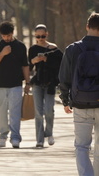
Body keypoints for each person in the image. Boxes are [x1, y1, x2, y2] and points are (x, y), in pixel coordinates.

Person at [59, 12, 99, 175]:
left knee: (82, 146)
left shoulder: (73, 49)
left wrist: (65, 99)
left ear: (87, 26)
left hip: (80, 102)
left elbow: (64, 76)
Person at [0, 21, 30, 148]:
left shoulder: (20, 46)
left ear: (13, 33)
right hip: (0, 85)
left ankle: (15, 137)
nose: (6, 38)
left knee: (15, 112)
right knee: (1, 112)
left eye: (8, 35)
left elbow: (25, 65)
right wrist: (2, 53)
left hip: (16, 84)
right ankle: (3, 135)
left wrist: (28, 82)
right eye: (4, 36)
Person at [28, 24, 63, 148]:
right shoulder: (32, 49)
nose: (41, 38)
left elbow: (60, 65)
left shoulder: (54, 49)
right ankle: (39, 140)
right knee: (38, 112)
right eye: (38, 36)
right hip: (37, 82)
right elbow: (28, 66)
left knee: (49, 111)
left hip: (50, 83)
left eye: (43, 36)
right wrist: (34, 61)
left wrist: (47, 59)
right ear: (35, 36)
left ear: (47, 34)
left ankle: (49, 132)